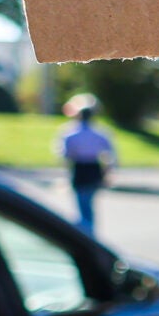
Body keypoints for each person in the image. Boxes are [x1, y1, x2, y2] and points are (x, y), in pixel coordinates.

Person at [56, 95, 118, 236]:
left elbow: (65, 155)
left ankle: (86, 232)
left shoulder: (70, 134)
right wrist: (109, 171)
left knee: (82, 202)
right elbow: (111, 155)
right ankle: (88, 230)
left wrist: (66, 174)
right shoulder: (101, 133)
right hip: (94, 168)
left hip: (80, 168)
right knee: (88, 202)